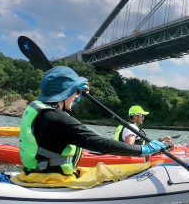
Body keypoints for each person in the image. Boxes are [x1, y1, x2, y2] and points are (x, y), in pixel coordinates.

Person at [19, 66, 166, 176]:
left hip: (35, 173)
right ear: (66, 92)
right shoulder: (60, 121)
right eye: (76, 91)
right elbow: (102, 144)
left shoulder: (44, 112)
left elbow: (59, 118)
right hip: (52, 179)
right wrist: (142, 150)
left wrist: (75, 95)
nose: (78, 96)